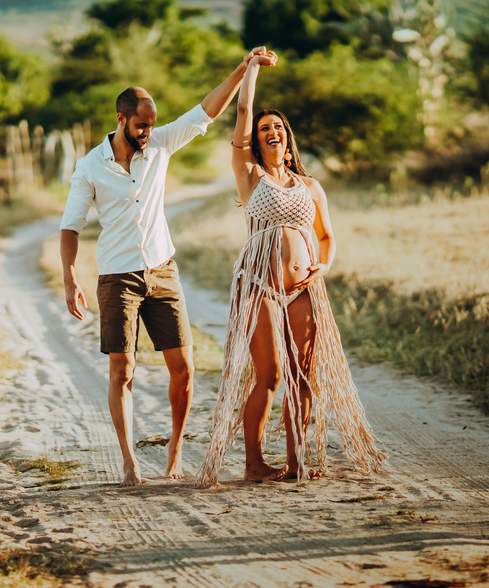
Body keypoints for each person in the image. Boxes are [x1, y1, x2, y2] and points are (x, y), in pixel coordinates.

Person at [60, 47, 271, 487]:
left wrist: (243, 67)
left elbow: (207, 110)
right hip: (117, 277)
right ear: (121, 120)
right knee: (124, 371)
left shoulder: (159, 144)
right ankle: (129, 462)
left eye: (152, 124)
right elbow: (71, 227)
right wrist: (69, 279)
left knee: (185, 369)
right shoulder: (90, 167)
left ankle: (174, 450)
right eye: (141, 125)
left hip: (162, 269)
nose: (148, 132)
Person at [198, 50, 386, 485]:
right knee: (269, 375)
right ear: (256, 140)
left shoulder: (310, 185)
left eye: (278, 127)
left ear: (288, 137)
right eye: (265, 129)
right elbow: (244, 110)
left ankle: (297, 460)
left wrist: (323, 267)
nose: (272, 132)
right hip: (259, 284)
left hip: (303, 287)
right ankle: (253, 463)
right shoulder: (249, 174)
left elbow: (326, 236)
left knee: (303, 375)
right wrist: (250, 70)